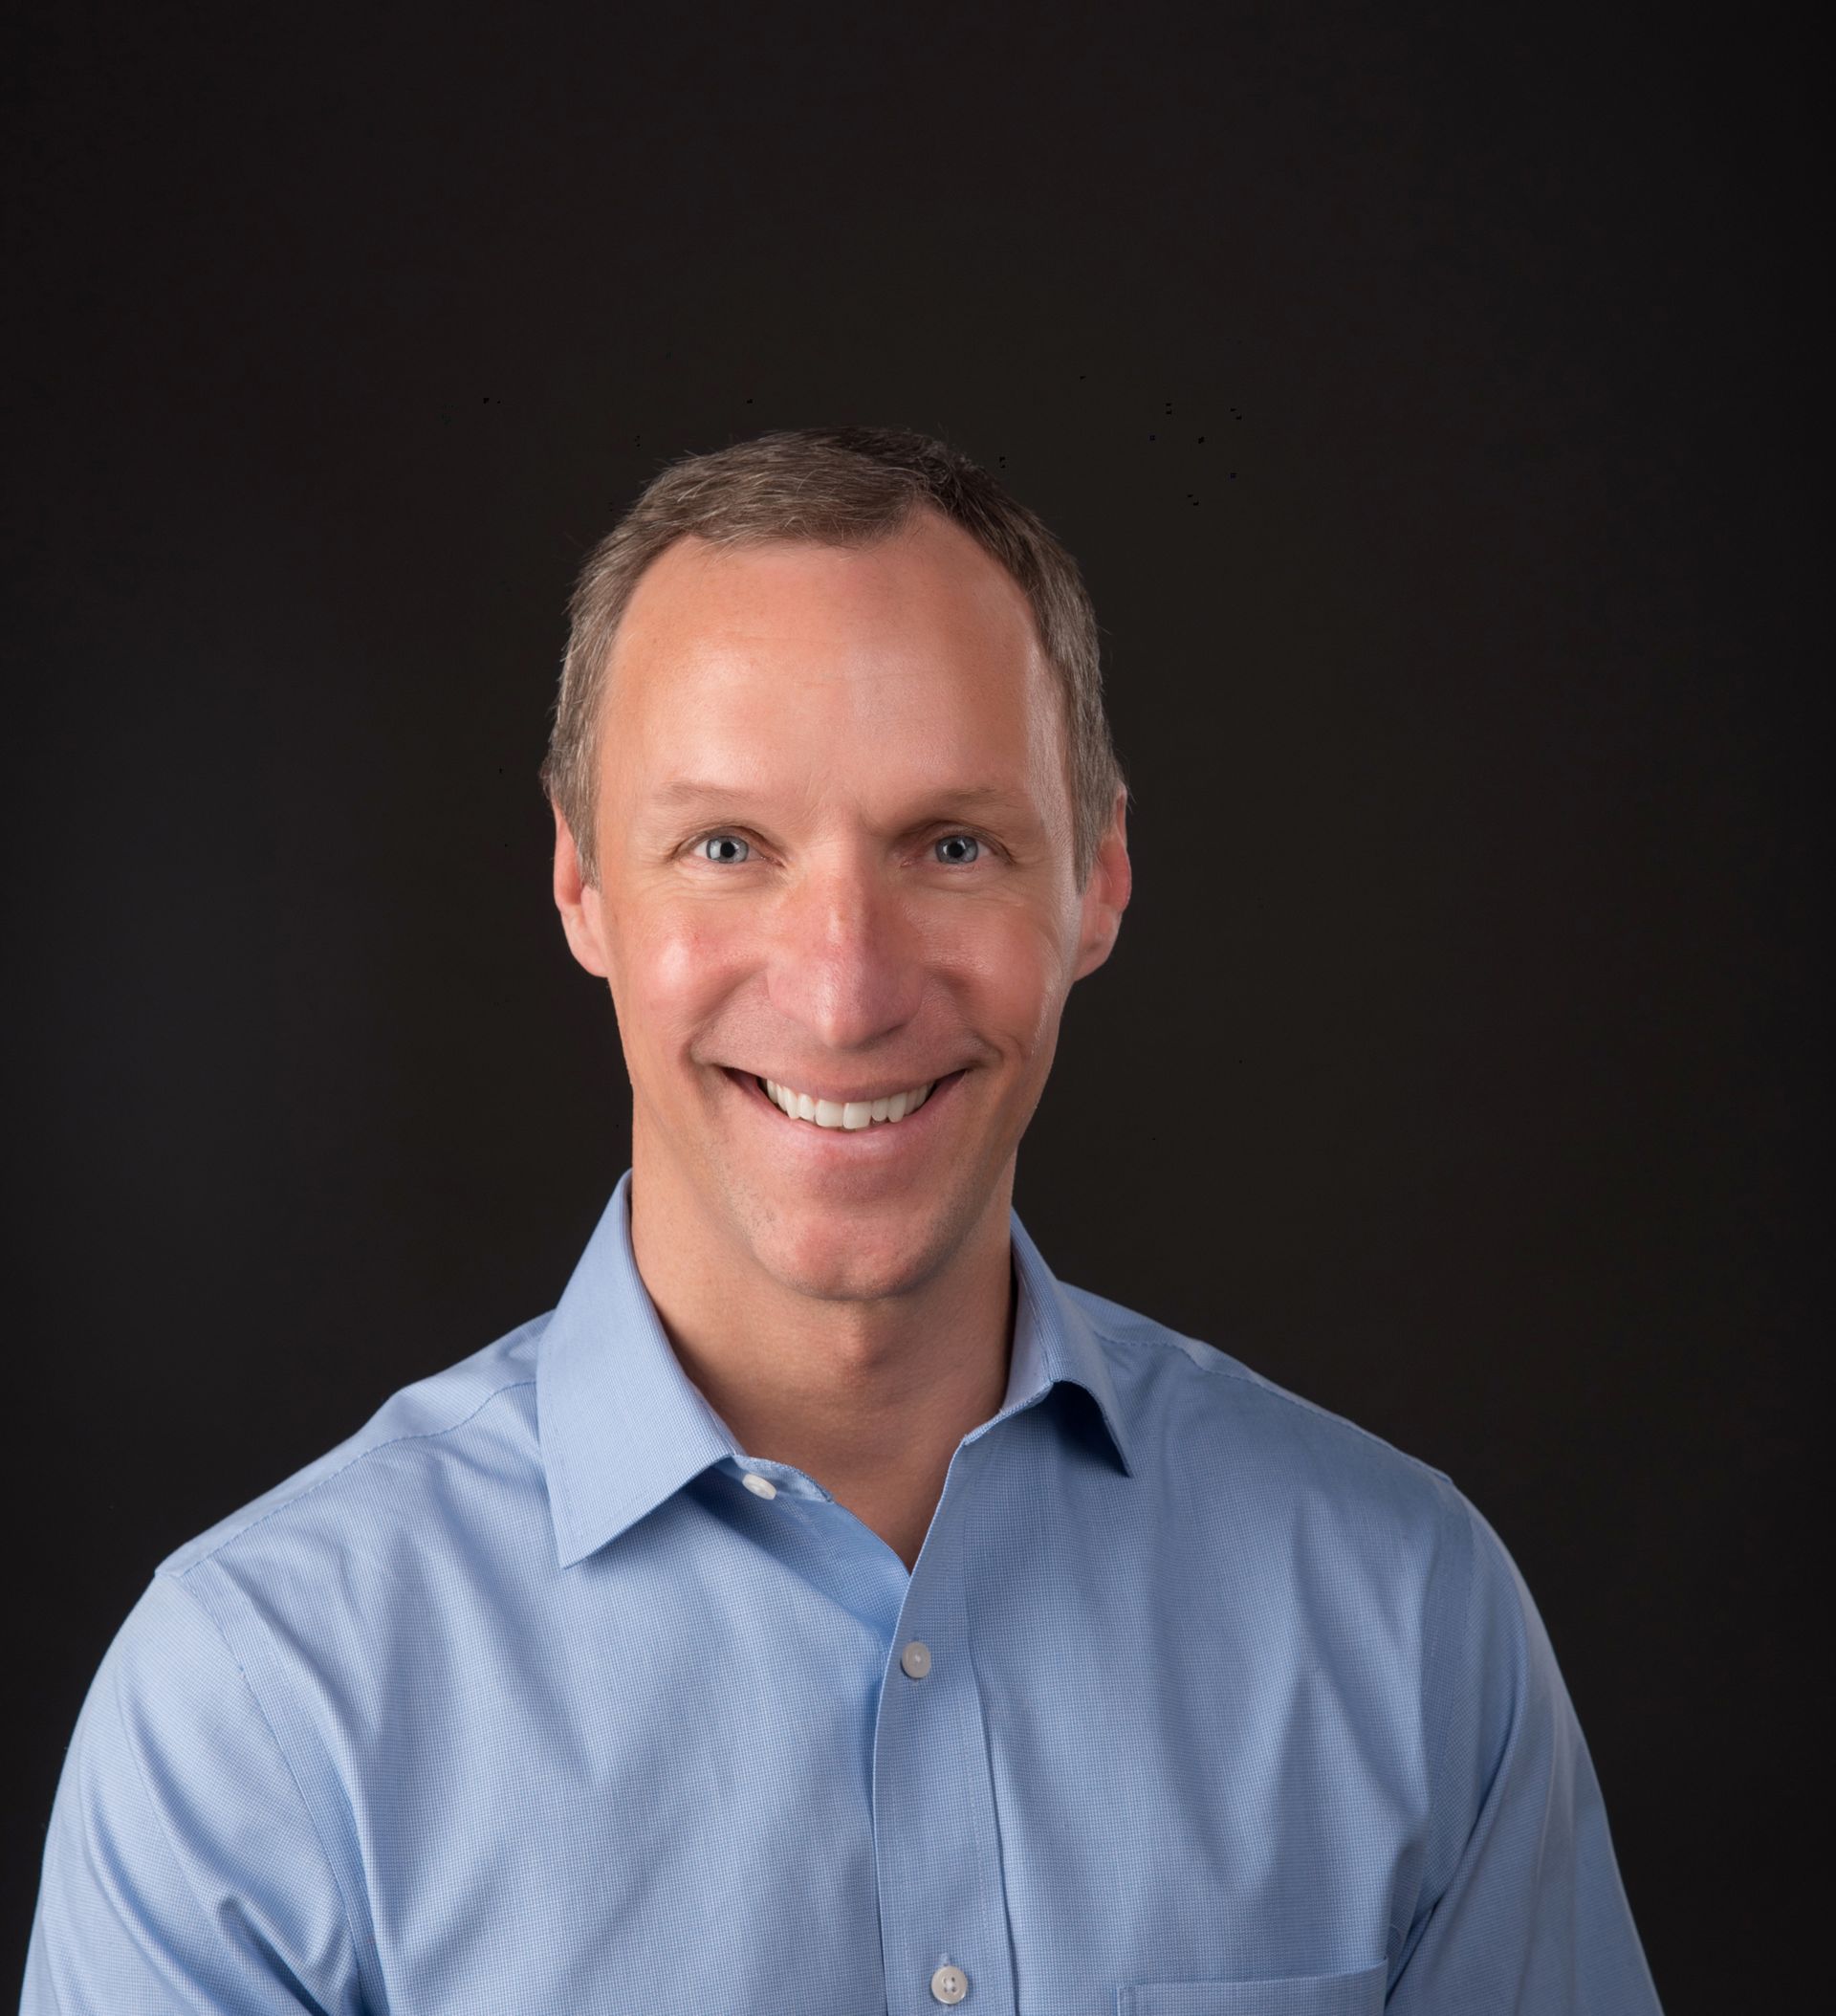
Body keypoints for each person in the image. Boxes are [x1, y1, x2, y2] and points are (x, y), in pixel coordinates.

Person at [22, 427, 1663, 2014]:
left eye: (952, 844)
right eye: (726, 845)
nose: (845, 986)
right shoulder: (258, 1707)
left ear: (1095, 878)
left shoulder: (1407, 1621)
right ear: (583, 882)